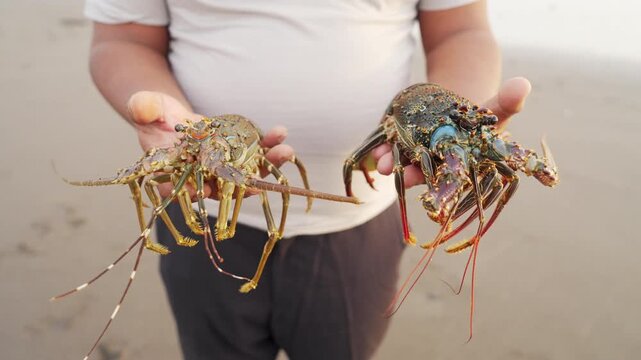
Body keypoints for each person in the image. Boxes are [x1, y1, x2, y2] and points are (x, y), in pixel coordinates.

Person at [84, 0, 531, 359]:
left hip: (360, 223)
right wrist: (165, 118)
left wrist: (455, 127)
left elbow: (459, 27)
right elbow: (122, 38)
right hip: (198, 212)